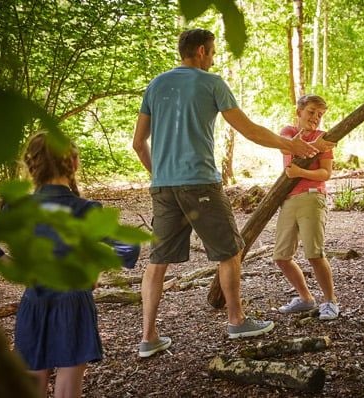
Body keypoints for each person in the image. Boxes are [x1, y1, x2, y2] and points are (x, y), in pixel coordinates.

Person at [132, 28, 334, 358]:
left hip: (163, 186)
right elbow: (250, 130)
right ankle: (237, 320)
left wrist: (161, 174)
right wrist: (292, 144)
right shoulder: (211, 83)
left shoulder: (156, 85)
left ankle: (148, 337)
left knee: (157, 262)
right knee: (229, 251)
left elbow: (138, 143)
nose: (213, 58)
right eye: (211, 52)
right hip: (200, 183)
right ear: (200, 52)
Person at [3, 132, 138, 397]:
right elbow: (129, 245)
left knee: (32, 380)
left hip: (33, 302)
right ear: (74, 163)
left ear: (32, 165)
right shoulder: (86, 210)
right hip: (74, 304)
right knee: (67, 385)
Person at [273, 94, 340, 321]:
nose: (315, 118)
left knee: (314, 253)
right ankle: (305, 298)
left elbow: (325, 173)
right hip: (289, 199)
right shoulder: (289, 132)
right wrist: (315, 147)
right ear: (299, 111)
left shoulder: (325, 137)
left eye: (320, 115)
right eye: (311, 112)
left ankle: (330, 302)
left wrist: (301, 172)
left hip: (313, 197)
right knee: (281, 256)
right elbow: (286, 150)